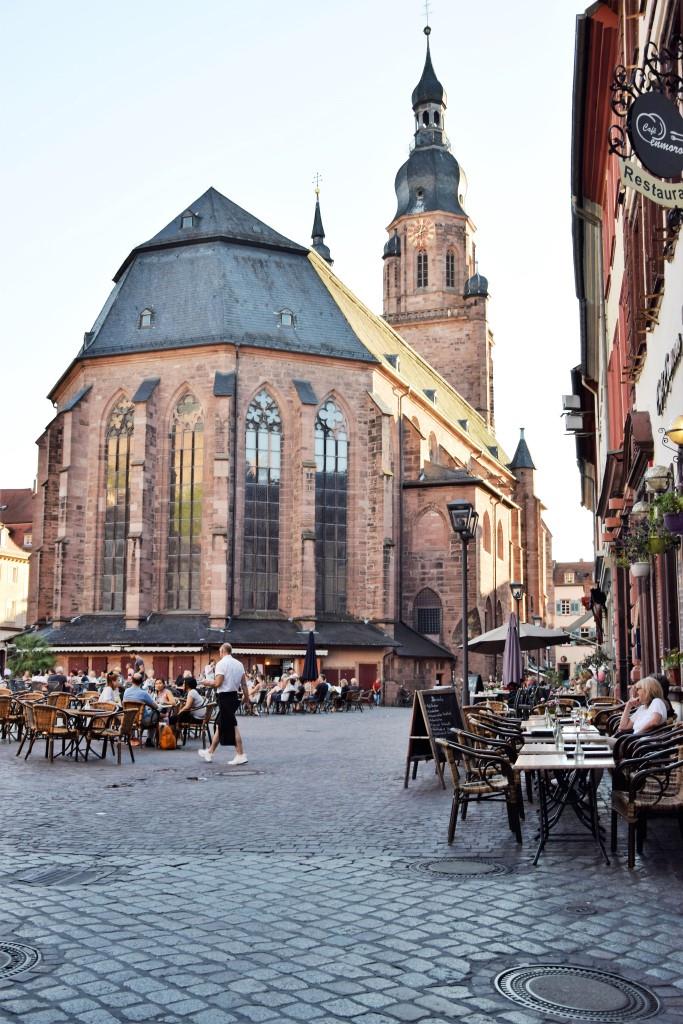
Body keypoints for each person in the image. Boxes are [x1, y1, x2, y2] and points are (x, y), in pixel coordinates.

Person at [198, 642, 251, 765]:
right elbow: (243, 684)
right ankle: (210, 752)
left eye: (219, 652)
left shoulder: (221, 664)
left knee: (233, 725)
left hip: (224, 697)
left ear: (222, 651)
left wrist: (205, 682)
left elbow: (217, 683)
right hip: (233, 696)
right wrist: (247, 699)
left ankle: (241, 754)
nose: (219, 654)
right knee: (220, 724)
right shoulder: (239, 664)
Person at [124, 672, 161, 747]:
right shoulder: (144, 694)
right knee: (156, 714)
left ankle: (132, 737)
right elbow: (155, 706)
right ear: (142, 681)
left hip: (128, 719)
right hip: (141, 720)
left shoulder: (126, 691)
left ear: (132, 680)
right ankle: (149, 739)